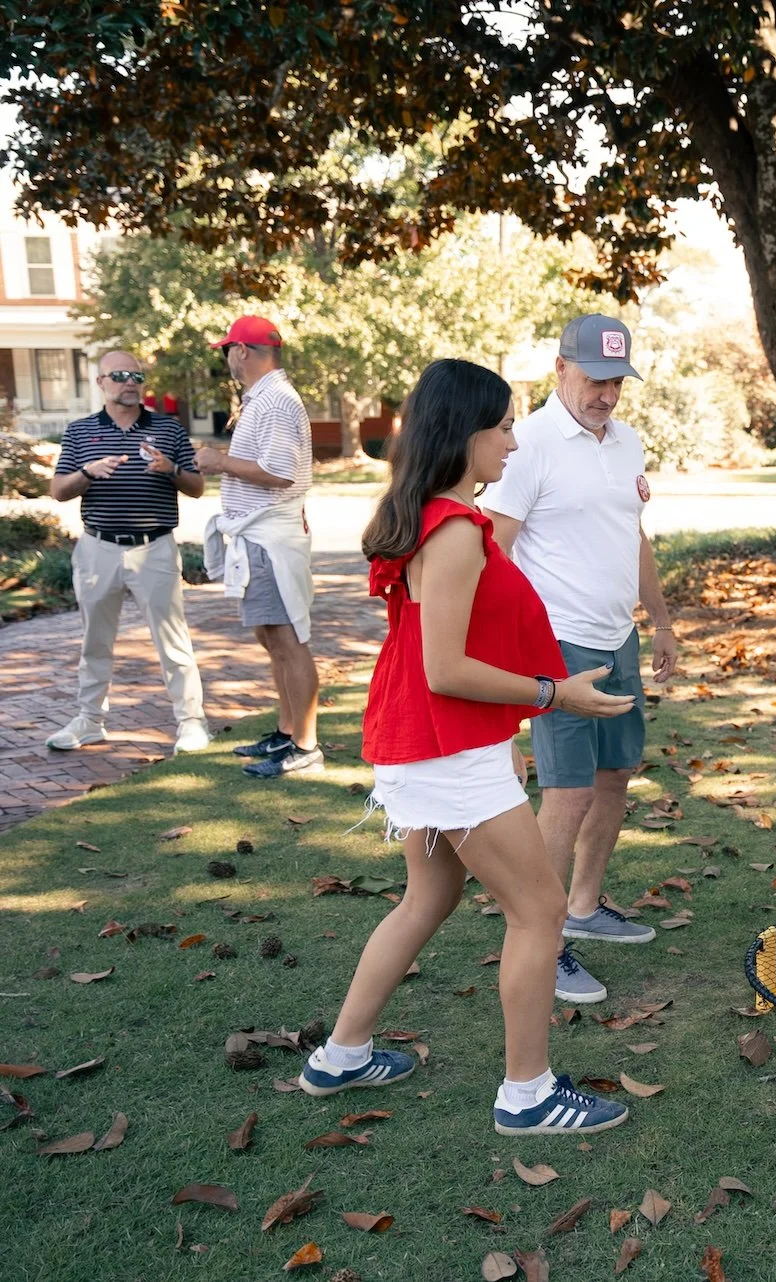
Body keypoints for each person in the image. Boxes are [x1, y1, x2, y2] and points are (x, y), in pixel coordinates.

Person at [301, 358, 634, 1136]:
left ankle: (341, 1055)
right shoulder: (450, 532)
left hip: (434, 745)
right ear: (466, 432)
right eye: (506, 425)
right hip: (439, 750)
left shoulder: (444, 518)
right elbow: (445, 669)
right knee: (541, 909)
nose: (515, 443)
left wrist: (504, 741)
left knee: (431, 896)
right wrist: (556, 695)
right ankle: (529, 1094)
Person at [483, 314, 678, 1006]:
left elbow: (634, 536)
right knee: (565, 796)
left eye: (616, 381)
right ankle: (545, 939)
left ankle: (584, 907)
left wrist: (658, 622)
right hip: (556, 644)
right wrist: (509, 661)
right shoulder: (528, 444)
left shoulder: (627, 442)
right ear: (561, 368)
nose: (606, 394)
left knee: (615, 777)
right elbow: (494, 553)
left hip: (616, 635)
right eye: (594, 378)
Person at [45, 351, 209, 754]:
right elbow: (58, 490)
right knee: (95, 641)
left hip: (154, 547)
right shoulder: (81, 431)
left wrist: (170, 469)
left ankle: (191, 723)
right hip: (98, 548)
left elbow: (196, 486)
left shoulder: (168, 428)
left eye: (137, 375)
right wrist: (88, 473)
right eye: (119, 375)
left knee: (173, 642)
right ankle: (89, 720)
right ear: (101, 382)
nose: (129, 382)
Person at [196, 316, 321, 779]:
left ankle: (306, 747)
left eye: (226, 349)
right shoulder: (263, 400)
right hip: (258, 535)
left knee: (289, 639)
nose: (226, 358)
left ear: (242, 351)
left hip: (271, 536)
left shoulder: (277, 401)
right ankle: (288, 731)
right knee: (271, 638)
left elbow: (280, 471)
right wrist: (223, 460)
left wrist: (219, 460)